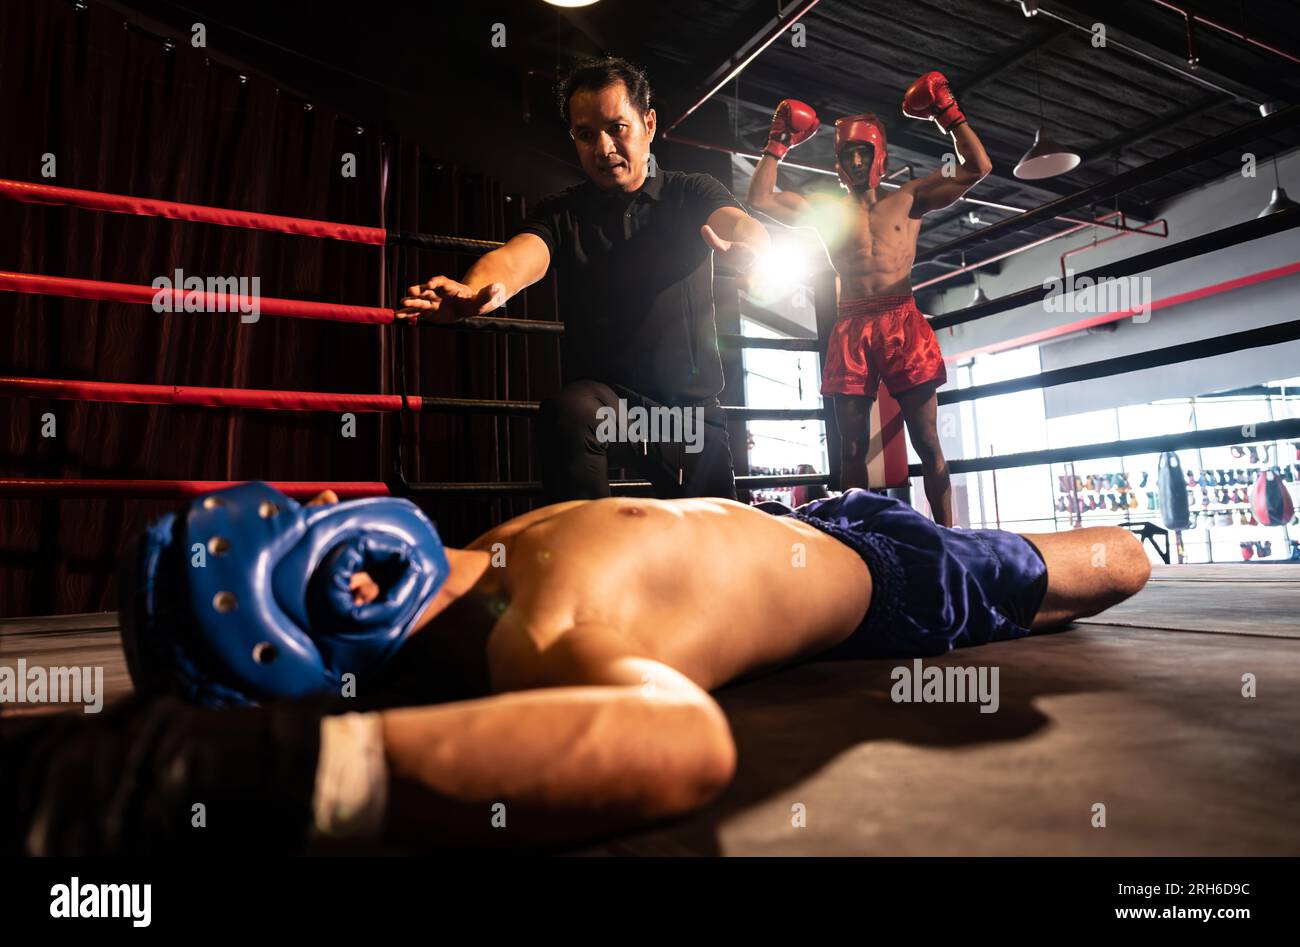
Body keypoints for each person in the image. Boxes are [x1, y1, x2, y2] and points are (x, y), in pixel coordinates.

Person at [4, 479, 1150, 854]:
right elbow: (680, 740)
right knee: (1115, 561)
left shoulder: (486, 548)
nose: (320, 502)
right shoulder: (535, 636)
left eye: (299, 500)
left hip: (811, 510)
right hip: (897, 589)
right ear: (345, 603)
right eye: (302, 534)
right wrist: (259, 775)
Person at [397, 57, 771, 503]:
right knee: (569, 411)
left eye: (618, 128)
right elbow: (516, 259)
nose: (604, 146)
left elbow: (736, 223)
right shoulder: (562, 213)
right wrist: (476, 290)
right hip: (608, 408)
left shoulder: (690, 192)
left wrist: (756, 247)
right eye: (586, 134)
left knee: (719, 559)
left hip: (687, 417)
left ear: (648, 123)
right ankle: (587, 555)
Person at [747, 72, 993, 526]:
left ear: (879, 155)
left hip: (902, 320)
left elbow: (978, 167)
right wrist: (777, 143)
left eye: (863, 152)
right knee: (853, 445)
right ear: (839, 162)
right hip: (852, 324)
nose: (856, 161)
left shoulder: (910, 197)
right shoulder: (825, 211)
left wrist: (948, 114)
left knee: (927, 439)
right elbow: (759, 198)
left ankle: (949, 535)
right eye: (848, 154)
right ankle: (860, 538)